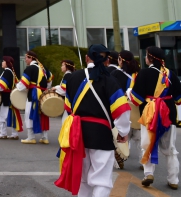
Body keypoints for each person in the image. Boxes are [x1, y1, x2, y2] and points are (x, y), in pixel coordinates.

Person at [54, 44, 131, 197]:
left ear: (87, 57)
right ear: (106, 61)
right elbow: (122, 110)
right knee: (101, 180)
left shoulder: (73, 77)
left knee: (83, 178)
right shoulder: (110, 80)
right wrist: (123, 132)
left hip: (77, 134)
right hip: (101, 134)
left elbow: (69, 109)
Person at [130, 46, 181, 190]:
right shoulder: (170, 74)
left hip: (150, 114)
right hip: (168, 114)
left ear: (149, 58)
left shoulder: (143, 73)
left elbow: (136, 100)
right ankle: (173, 180)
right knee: (170, 149)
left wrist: (130, 92)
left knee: (147, 144)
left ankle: (148, 173)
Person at [111, 50, 141, 169]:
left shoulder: (115, 74)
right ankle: (143, 161)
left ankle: (119, 160)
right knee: (139, 137)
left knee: (121, 134)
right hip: (137, 108)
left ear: (121, 60)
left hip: (122, 107)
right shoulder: (138, 73)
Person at [17, 50, 53, 144]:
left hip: (33, 94)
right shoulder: (44, 69)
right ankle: (45, 137)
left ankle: (31, 137)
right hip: (43, 94)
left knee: (29, 113)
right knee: (43, 113)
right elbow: (50, 81)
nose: (25, 60)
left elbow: (23, 84)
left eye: (26, 58)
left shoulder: (30, 69)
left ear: (31, 58)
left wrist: (17, 87)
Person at [52, 59, 76, 124]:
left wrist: (55, 88)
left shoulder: (67, 75)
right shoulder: (71, 74)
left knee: (65, 122)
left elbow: (63, 90)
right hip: (73, 100)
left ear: (67, 67)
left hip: (69, 101)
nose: (61, 67)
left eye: (62, 65)